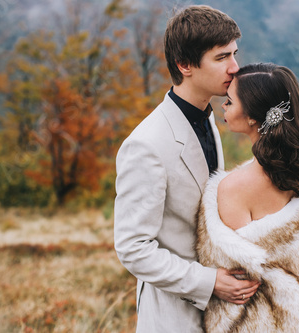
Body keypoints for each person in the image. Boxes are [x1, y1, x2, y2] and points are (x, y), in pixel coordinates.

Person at [114, 5, 259, 333]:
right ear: (184, 65)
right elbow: (132, 248)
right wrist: (210, 283)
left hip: (221, 314)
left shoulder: (210, 116)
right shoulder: (146, 145)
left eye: (235, 54)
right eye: (221, 57)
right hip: (173, 315)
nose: (235, 67)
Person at [196, 63, 299, 332]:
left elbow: (236, 274)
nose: (223, 107)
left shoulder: (233, 188)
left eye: (230, 102)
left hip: (266, 322)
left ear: (253, 116)